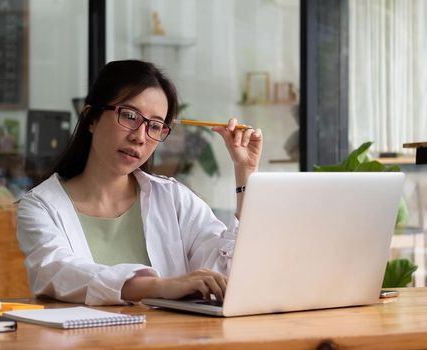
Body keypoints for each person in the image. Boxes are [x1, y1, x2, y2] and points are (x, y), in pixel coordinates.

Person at [16, 60, 263, 306]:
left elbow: (228, 276)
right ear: (91, 118)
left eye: (155, 126)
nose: (139, 136)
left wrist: (245, 172)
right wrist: (161, 287)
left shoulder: (174, 199)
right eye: (130, 116)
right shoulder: (40, 206)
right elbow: (59, 273)